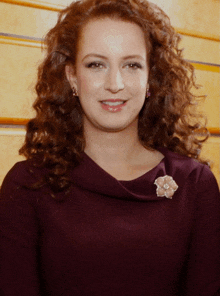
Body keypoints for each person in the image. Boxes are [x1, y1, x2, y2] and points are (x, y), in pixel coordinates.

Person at [0, 0, 219, 295]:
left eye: (131, 65)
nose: (115, 84)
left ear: (149, 78)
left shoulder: (195, 184)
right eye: (96, 65)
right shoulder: (26, 184)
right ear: (72, 76)